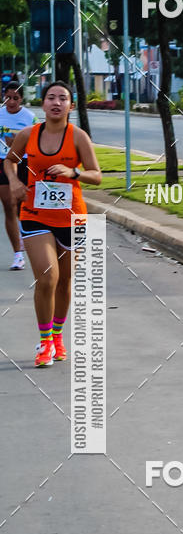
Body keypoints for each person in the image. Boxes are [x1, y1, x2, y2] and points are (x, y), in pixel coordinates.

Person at [5, 80, 102, 367]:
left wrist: (74, 172)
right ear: (42, 103)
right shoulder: (28, 134)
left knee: (65, 281)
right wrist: (13, 182)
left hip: (72, 216)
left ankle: (58, 337)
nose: (56, 102)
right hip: (35, 214)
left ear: (71, 105)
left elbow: (96, 175)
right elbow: (9, 161)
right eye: (50, 97)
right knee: (47, 277)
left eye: (62, 98)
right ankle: (45, 342)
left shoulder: (78, 137)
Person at [0, 81, 37, 269]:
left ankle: (26, 237)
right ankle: (17, 254)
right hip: (3, 162)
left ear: (21, 98)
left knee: (22, 206)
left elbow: (38, 140)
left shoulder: (29, 117)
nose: (11, 101)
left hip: (24, 163)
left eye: (15, 98)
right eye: (8, 97)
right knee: (8, 204)